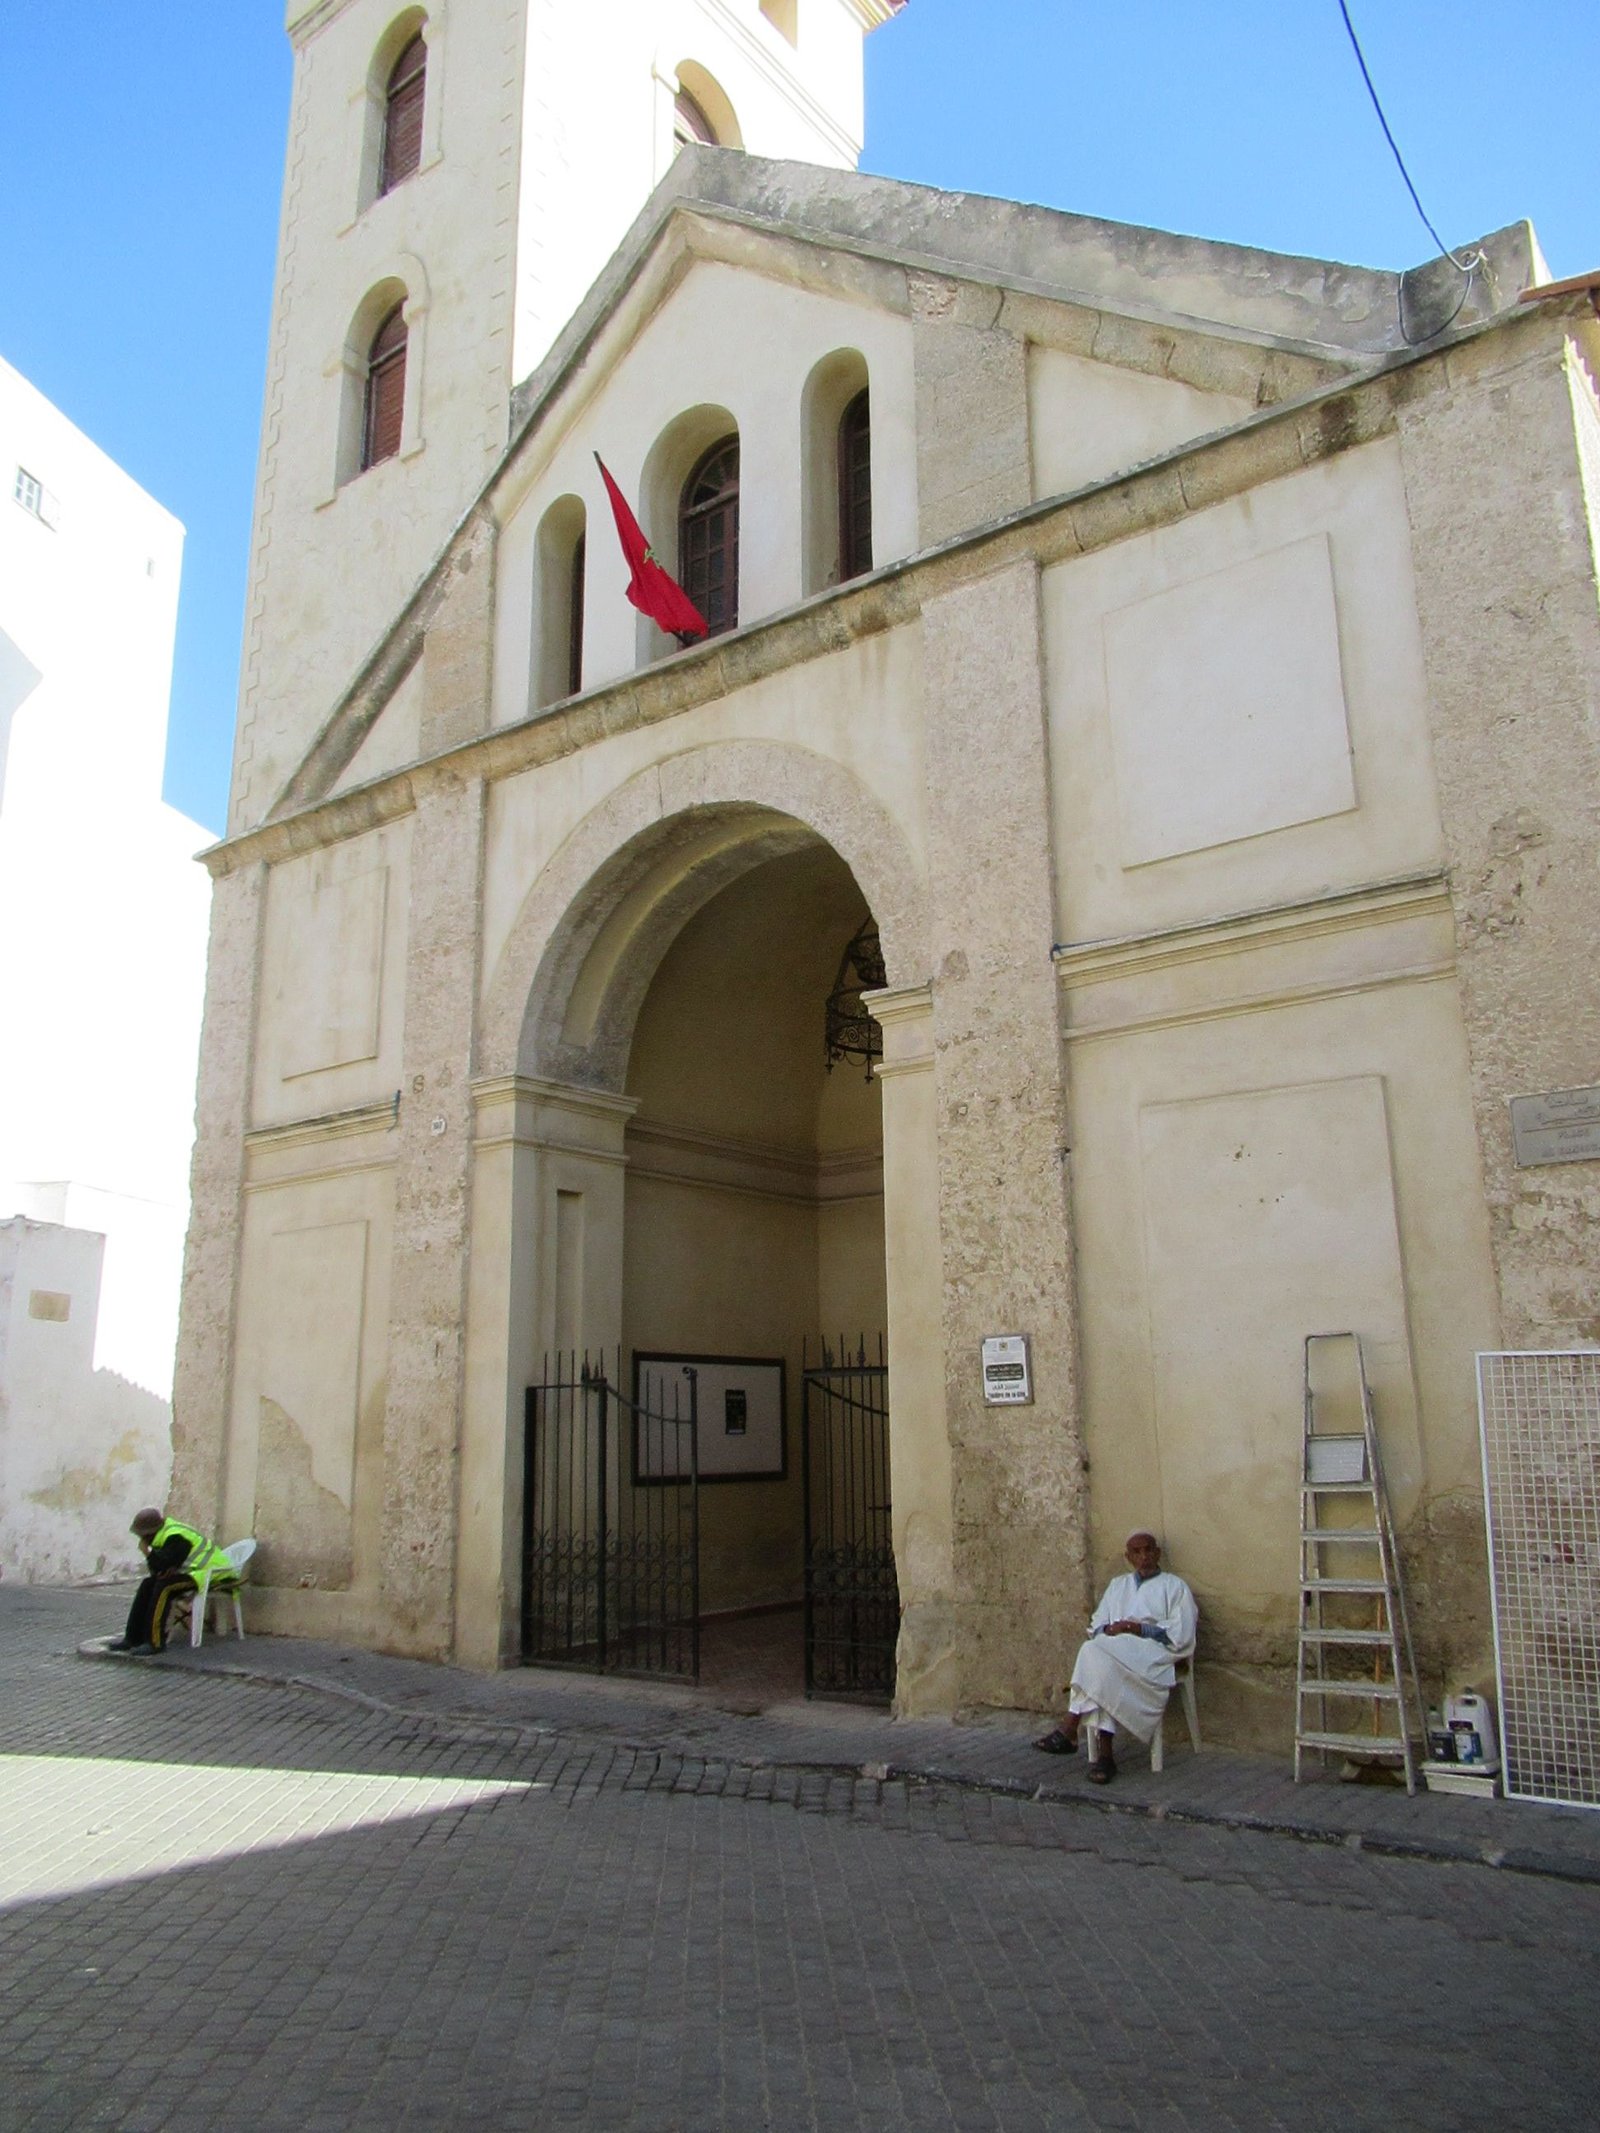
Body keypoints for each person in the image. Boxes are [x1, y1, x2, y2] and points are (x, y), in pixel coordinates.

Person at [1033, 1530, 1198, 1782]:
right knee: (1102, 1666)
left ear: (1157, 1553)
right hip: (1115, 1655)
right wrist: (1110, 1629)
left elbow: (1181, 1632)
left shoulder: (1174, 1587)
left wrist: (1137, 1628)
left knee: (1093, 1654)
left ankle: (1070, 1727)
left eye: (1148, 1550)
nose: (1143, 1556)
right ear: (1128, 1557)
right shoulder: (1118, 1585)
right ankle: (1104, 1757)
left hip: (1153, 1656)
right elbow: (1097, 1624)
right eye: (1137, 1552)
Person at [108, 1508, 232, 1655]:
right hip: (195, 1572)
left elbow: (162, 1565)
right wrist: (154, 1560)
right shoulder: (163, 1536)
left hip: (214, 1574)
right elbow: (159, 1570)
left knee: (164, 1587)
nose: (141, 1540)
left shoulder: (175, 1537)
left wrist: (147, 1552)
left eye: (142, 1536)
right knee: (148, 1583)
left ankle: (155, 1642)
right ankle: (132, 1638)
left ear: (150, 1533)